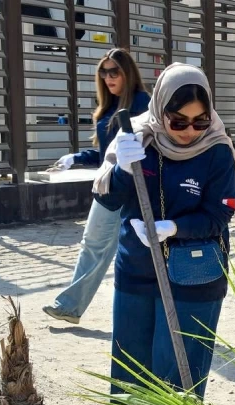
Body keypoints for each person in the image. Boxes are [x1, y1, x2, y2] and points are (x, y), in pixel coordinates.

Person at [93, 63, 235, 405]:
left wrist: (173, 228)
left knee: (178, 358)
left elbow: (220, 214)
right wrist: (121, 166)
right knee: (132, 347)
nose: (189, 130)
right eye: (178, 120)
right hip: (137, 262)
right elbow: (108, 201)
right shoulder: (137, 137)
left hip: (195, 271)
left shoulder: (217, 150)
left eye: (200, 120)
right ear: (160, 111)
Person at [43, 48, 150, 325]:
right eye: (103, 72)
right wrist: (75, 158)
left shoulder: (141, 102)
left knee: (123, 251)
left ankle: (71, 306)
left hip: (132, 188)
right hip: (110, 185)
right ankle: (69, 306)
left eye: (114, 71)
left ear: (128, 72)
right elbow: (106, 154)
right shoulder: (108, 107)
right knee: (93, 245)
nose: (108, 77)